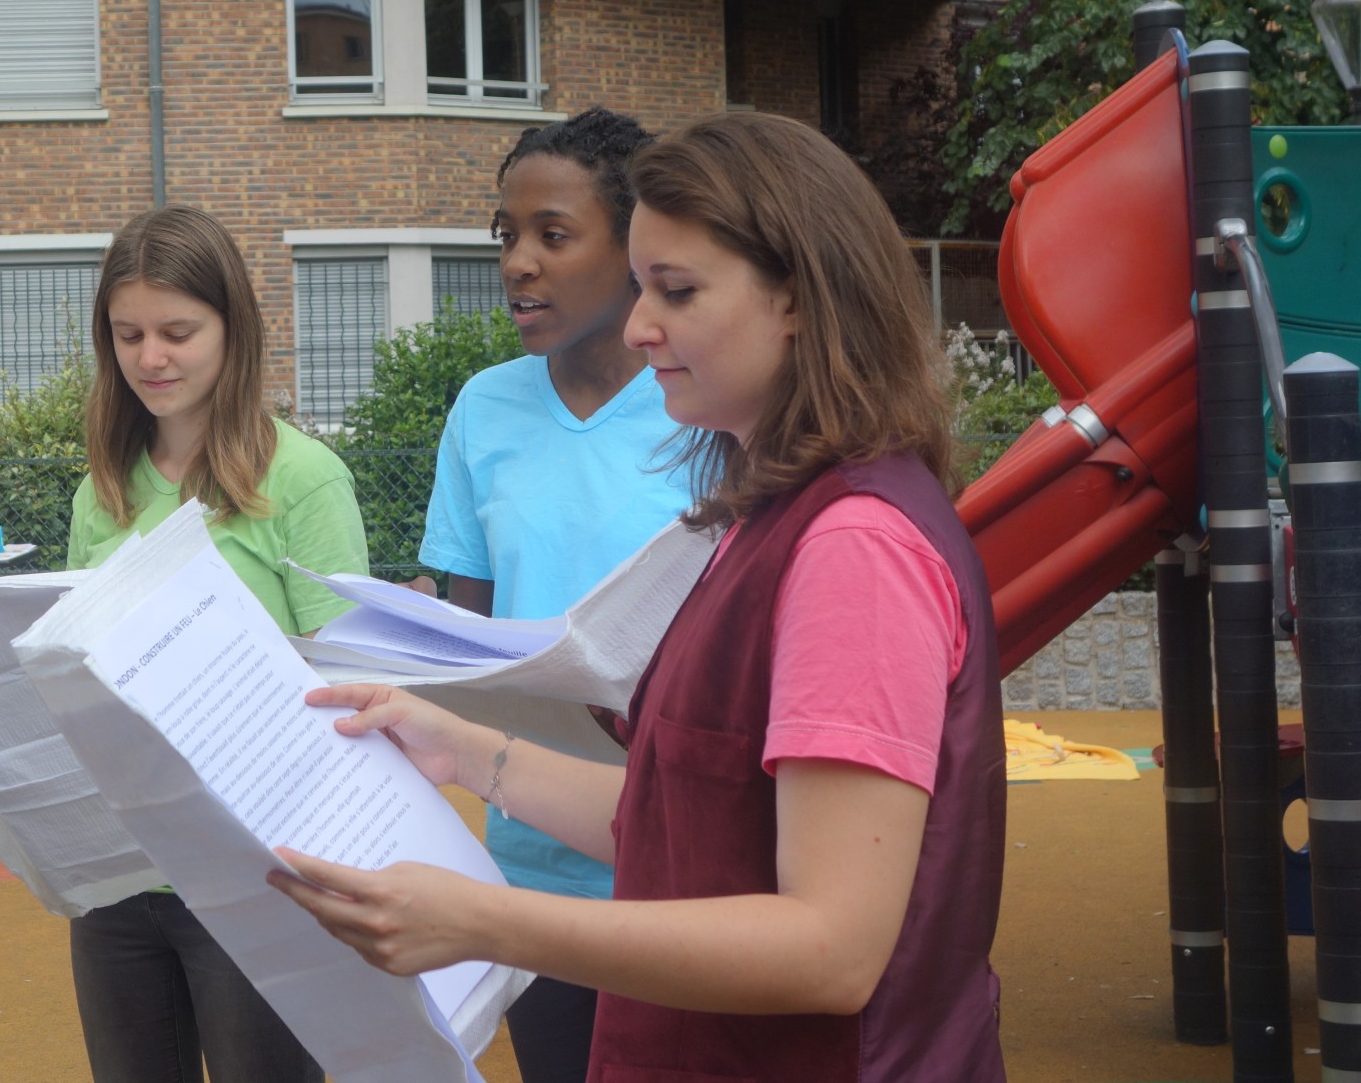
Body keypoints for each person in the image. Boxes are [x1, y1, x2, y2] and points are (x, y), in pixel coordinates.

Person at [270, 112, 1006, 1081]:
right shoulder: (770, 518)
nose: (636, 325)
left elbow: (830, 949)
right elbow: (684, 822)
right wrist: (459, 746)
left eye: (677, 290)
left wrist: (482, 921)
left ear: (797, 298)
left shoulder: (850, 549)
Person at [417, 106, 696, 1083]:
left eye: (551, 233)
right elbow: (466, 638)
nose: (516, 262)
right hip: (529, 862)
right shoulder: (482, 409)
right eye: (505, 235)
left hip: (684, 857)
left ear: (633, 251)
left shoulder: (705, 408)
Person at [65, 203, 369, 1083]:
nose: (150, 357)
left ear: (233, 327)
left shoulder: (305, 478)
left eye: (177, 331)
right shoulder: (104, 490)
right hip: (120, 870)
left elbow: (347, 685)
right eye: (127, 334)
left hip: (258, 871)